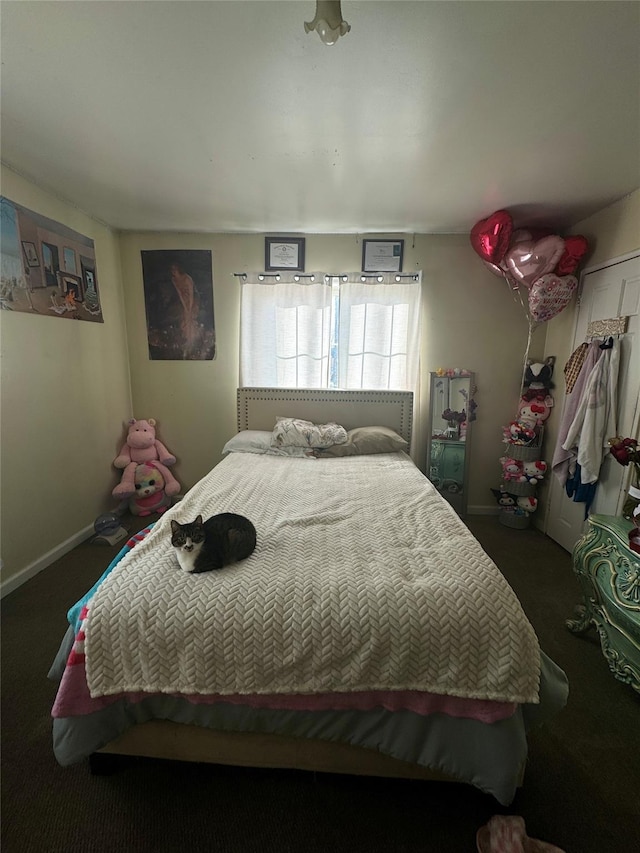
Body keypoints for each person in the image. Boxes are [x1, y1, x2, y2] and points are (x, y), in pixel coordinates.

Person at [170, 262, 199, 357]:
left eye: (175, 269)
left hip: (193, 300)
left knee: (190, 318)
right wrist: (185, 307)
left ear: (179, 269)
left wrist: (190, 308)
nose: (173, 271)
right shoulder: (174, 280)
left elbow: (191, 295)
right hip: (184, 301)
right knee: (184, 318)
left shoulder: (187, 279)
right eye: (172, 270)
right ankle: (188, 341)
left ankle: (191, 342)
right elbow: (180, 294)